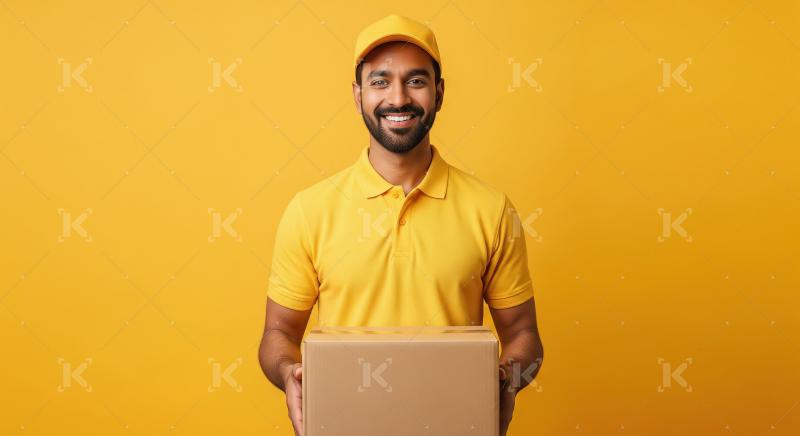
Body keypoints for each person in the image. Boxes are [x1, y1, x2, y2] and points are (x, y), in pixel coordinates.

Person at [258, 14, 544, 436]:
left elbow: (525, 339)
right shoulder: (310, 211)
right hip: (346, 426)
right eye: (379, 81)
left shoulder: (492, 209)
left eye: (415, 81)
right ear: (357, 95)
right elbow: (277, 334)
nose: (398, 98)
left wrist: (505, 382)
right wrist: (290, 375)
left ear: (439, 92)